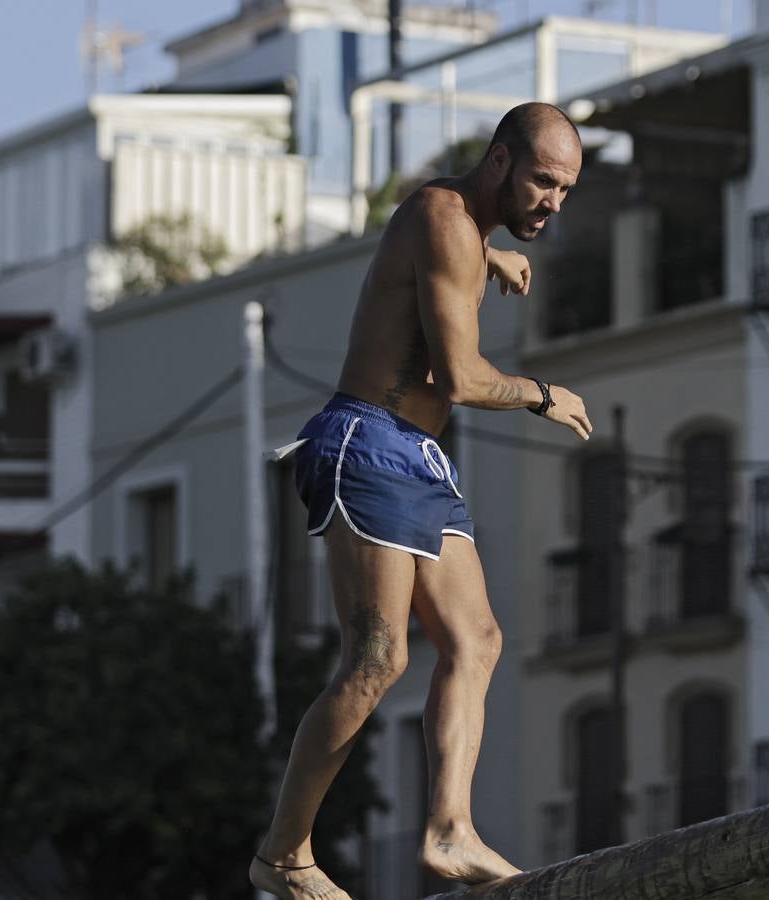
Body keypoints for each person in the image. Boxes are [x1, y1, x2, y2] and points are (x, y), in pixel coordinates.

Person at [250, 102, 592, 899]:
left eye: (568, 190)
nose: (554, 202)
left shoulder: (463, 227)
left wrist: (489, 257)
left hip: (419, 458)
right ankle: (283, 855)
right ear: (501, 163)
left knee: (477, 638)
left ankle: (448, 831)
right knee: (378, 660)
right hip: (366, 443)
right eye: (544, 181)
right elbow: (463, 380)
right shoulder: (444, 220)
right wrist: (543, 394)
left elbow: (444, 248)